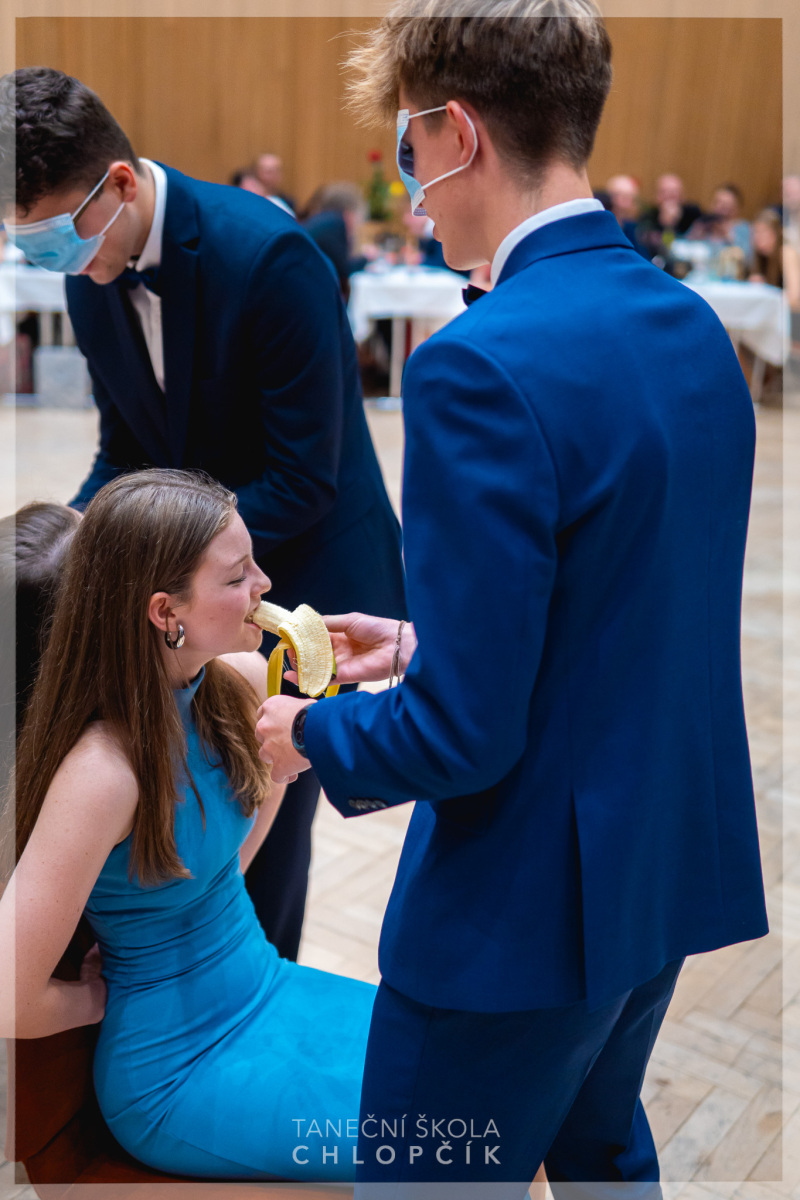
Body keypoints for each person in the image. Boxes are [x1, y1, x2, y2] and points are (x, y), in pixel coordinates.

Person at [256, 0, 769, 1194]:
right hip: (658, 862)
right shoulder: (690, 326)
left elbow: (462, 736)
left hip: (519, 911)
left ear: (459, 133)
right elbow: (626, 608)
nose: (410, 189)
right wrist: (427, 641)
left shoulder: (478, 363)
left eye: (407, 145)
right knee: (599, 1155)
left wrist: (304, 732)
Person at [0, 67, 407, 964]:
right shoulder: (90, 277)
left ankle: (253, 988)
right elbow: (125, 452)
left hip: (298, 575)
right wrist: (71, 538)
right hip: (186, 586)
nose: (51, 261)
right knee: (178, 811)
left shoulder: (267, 257)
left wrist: (154, 561)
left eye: (53, 236)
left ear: (117, 184)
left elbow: (305, 478)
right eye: (26, 244)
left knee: (264, 823)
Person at [0, 469, 376, 1182]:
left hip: (263, 980)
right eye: (237, 576)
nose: (266, 584)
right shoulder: (102, 774)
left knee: (475, 1080)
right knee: (444, 1140)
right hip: (174, 1071)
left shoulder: (237, 681)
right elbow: (8, 996)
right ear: (165, 612)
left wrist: (271, 785)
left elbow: (239, 838)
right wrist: (97, 999)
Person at [300, 181, 368, 300]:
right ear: (350, 211)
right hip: (309, 292)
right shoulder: (335, 224)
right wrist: (367, 258)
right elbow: (344, 270)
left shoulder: (325, 220)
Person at [636, 172, 702, 261]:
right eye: (665, 192)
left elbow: (699, 244)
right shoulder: (648, 217)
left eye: (674, 192)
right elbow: (655, 251)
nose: (670, 196)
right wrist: (668, 226)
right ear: (657, 196)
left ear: (682, 196)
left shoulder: (693, 214)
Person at [688, 183, 751, 260]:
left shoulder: (743, 228)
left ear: (735, 210)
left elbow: (747, 258)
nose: (719, 209)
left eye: (725, 206)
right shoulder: (703, 223)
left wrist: (728, 236)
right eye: (716, 203)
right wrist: (695, 234)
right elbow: (683, 246)